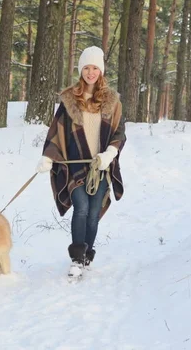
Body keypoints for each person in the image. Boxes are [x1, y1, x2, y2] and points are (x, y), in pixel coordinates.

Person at [36, 46, 126, 280]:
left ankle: (87, 254)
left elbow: (119, 134)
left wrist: (109, 154)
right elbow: (56, 133)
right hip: (76, 165)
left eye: (95, 67)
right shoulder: (69, 101)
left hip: (102, 167)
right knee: (81, 208)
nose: (91, 72)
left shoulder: (112, 101)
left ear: (101, 71)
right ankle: (77, 258)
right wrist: (48, 156)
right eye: (86, 67)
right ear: (80, 70)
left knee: (94, 213)